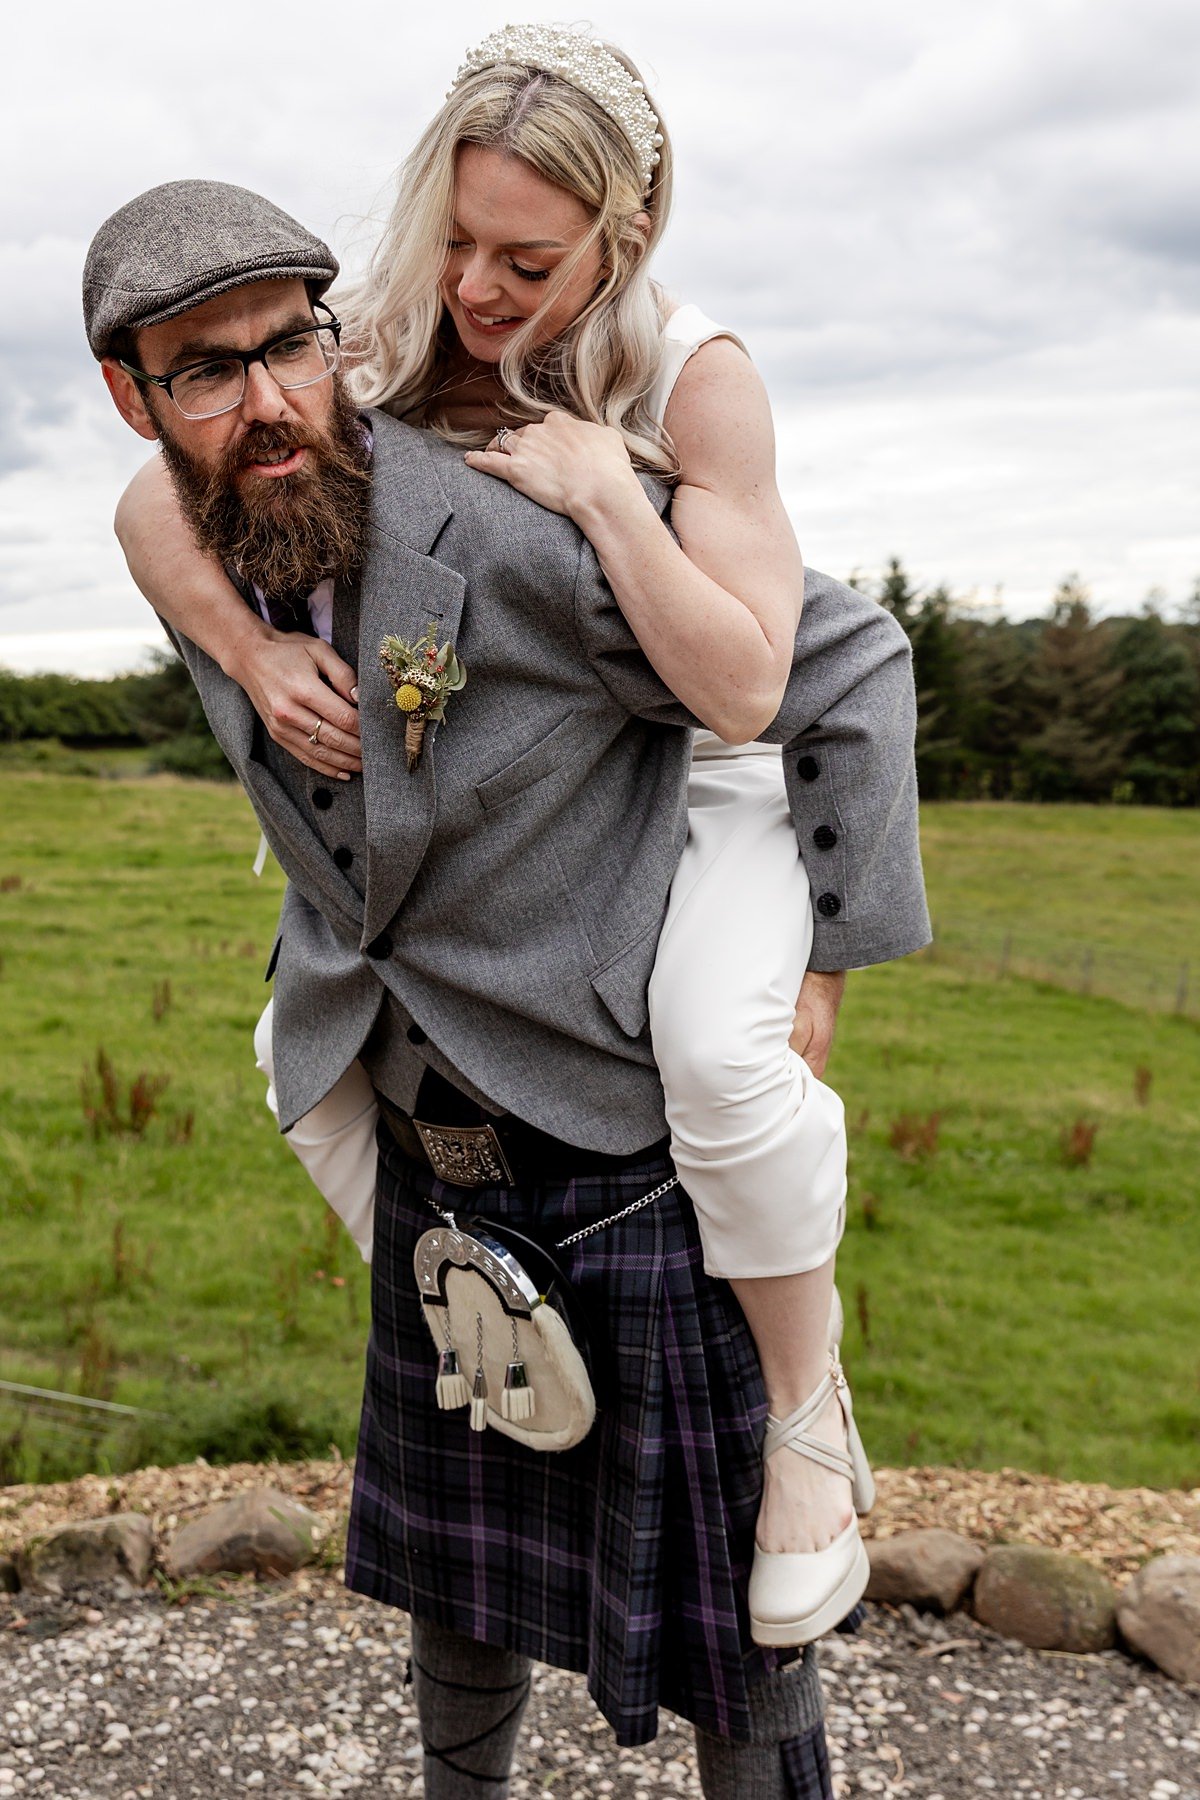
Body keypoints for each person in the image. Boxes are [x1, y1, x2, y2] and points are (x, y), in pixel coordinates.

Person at [86, 168, 925, 1797]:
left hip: (617, 1161)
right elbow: (145, 541)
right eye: (207, 369)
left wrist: (830, 953)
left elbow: (836, 664)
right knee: (455, 1607)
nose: (269, 403)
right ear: (132, 398)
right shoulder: (197, 546)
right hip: (424, 1143)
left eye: (293, 346)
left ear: (335, 335)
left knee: (732, 1637)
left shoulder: (509, 523)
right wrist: (257, 654)